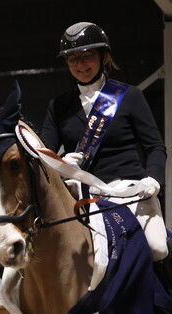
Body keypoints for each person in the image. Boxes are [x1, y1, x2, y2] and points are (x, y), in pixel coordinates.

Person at [41, 22, 169, 275]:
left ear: (103, 56)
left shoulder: (130, 96)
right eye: (73, 59)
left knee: (157, 248)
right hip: (81, 195)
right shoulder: (58, 106)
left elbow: (155, 145)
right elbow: (45, 155)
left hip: (128, 191)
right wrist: (62, 162)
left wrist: (154, 179)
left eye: (87, 56)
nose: (80, 65)